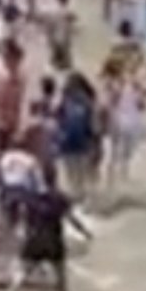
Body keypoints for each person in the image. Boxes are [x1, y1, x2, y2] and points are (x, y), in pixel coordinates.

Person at [0, 163, 93, 291]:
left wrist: (17, 233)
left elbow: (22, 218)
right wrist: (85, 233)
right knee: (60, 276)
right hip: (53, 241)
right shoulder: (60, 198)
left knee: (23, 274)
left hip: (34, 239)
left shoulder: (31, 197)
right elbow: (72, 219)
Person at [55, 71, 102, 200]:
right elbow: (58, 120)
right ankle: (79, 201)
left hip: (79, 144)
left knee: (79, 176)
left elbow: (94, 126)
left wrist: (96, 145)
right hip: (70, 143)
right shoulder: (65, 102)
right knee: (75, 176)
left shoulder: (87, 104)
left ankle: (83, 201)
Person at [102, 58, 146, 186]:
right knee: (123, 155)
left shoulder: (118, 86)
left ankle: (113, 181)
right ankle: (121, 179)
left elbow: (109, 105)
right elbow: (141, 106)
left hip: (120, 123)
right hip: (128, 124)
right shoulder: (127, 86)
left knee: (115, 155)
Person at [0, 39, 28, 149]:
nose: (16, 63)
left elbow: (20, 100)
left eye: (18, 61)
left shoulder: (20, 75)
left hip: (13, 120)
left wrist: (19, 123)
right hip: (0, 120)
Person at [42, 0, 78, 71]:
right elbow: (73, 18)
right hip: (64, 36)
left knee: (54, 58)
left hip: (55, 36)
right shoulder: (68, 10)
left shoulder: (51, 10)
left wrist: (49, 37)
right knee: (66, 60)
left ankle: (55, 67)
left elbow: (47, 24)